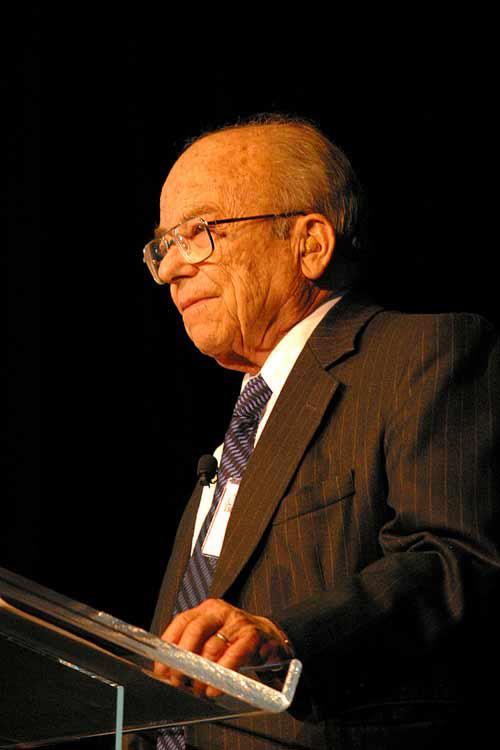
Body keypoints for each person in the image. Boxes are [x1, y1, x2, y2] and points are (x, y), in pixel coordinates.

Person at [134, 114, 499, 749]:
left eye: (198, 233)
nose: (171, 271)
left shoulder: (422, 353)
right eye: (163, 245)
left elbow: (454, 561)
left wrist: (287, 638)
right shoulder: (239, 430)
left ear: (309, 243)